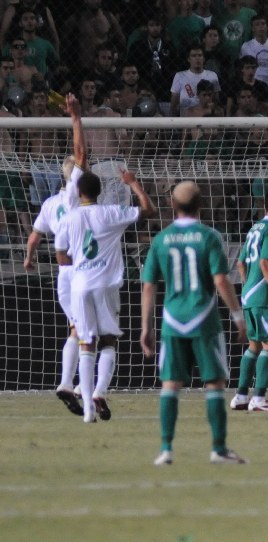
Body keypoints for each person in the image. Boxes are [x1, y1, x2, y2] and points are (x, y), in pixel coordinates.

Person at [54, 100, 156, 424]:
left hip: (76, 279)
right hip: (106, 283)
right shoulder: (110, 213)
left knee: (83, 339)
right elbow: (147, 210)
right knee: (108, 340)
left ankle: (81, 401)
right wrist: (76, 118)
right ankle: (96, 390)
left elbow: (59, 252)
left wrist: (72, 266)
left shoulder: (67, 213)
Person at [140, 181, 248, 466]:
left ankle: (166, 450)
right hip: (205, 320)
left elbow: (148, 285)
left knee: (170, 384)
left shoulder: (161, 239)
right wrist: (238, 317)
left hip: (173, 321)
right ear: (201, 205)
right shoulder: (209, 236)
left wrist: (146, 327)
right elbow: (221, 280)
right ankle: (219, 448)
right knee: (214, 383)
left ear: (172, 206)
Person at [22, 93, 86, 416]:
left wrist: (29, 259)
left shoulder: (49, 204)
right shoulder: (76, 196)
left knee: (79, 328)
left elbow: (33, 238)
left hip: (62, 276)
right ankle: (73, 384)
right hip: (79, 272)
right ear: (73, 177)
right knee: (86, 330)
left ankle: (74, 384)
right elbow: (80, 153)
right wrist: (75, 118)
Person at [229, 190, 268, 413]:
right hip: (264, 296)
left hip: (248, 295)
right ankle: (258, 399)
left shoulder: (255, 227)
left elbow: (240, 263)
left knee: (254, 345)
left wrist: (248, 286)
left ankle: (240, 397)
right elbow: (265, 263)